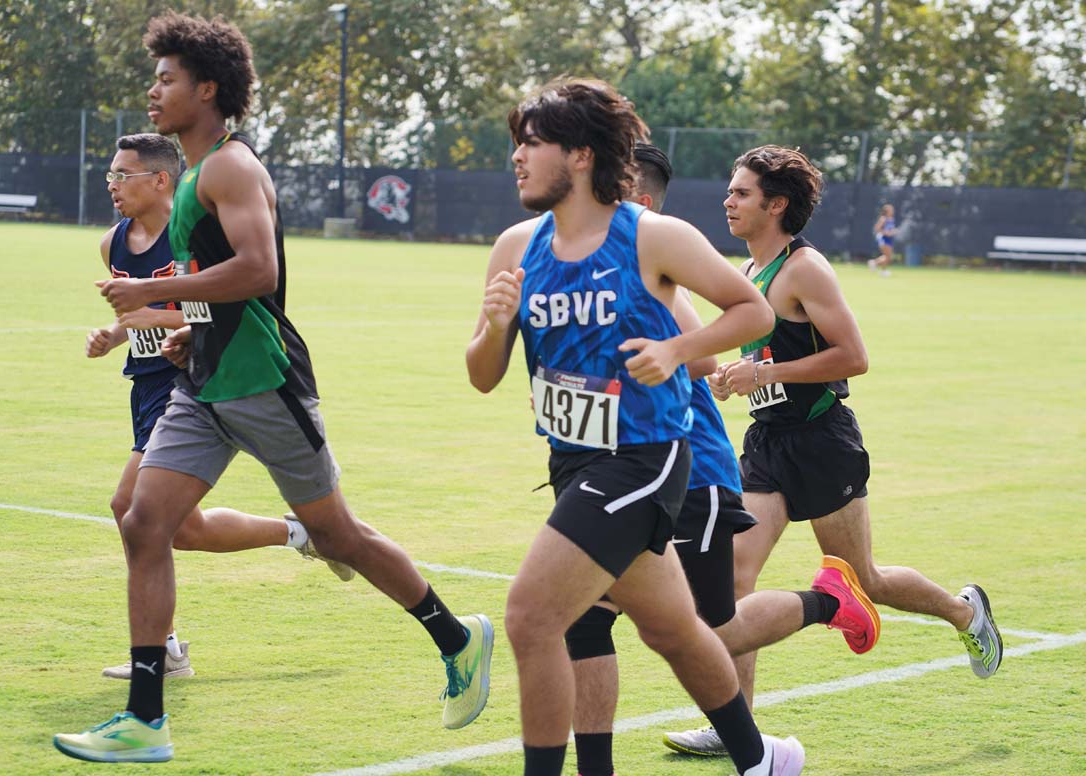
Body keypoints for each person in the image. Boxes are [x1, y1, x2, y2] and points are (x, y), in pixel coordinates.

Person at [54, 13, 492, 763]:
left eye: (166, 78)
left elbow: (260, 273)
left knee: (336, 536)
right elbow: (223, 289)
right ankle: (145, 719)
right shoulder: (193, 174)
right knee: (141, 519)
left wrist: (150, 295)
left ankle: (457, 639)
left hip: (264, 380)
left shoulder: (229, 166)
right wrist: (180, 321)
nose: (153, 91)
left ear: (208, 88)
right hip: (205, 379)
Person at [466, 78, 803, 776]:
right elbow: (482, 373)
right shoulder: (515, 247)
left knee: (532, 617)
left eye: (532, 144)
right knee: (674, 630)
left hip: (642, 461)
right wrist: (497, 325)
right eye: (517, 146)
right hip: (572, 464)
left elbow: (754, 313)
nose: (518, 159)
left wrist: (676, 351)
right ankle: (761, 760)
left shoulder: (652, 236)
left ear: (581, 155)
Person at [665, 146, 1002, 757]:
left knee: (863, 579)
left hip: (823, 442)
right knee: (735, 581)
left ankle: (964, 613)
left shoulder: (805, 269)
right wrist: (738, 373)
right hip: (767, 446)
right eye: (731, 190)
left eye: (741, 193)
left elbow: (854, 357)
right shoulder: (748, 274)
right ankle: (733, 727)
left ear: (777, 205)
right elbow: (770, 354)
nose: (728, 201)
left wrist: (769, 375)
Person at [557, 143, 878, 776]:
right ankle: (744, 742)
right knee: (604, 617)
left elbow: (835, 354)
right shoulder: (615, 264)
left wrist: (707, 361)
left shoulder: (699, 265)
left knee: (706, 628)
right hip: (730, 451)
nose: (727, 201)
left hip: (751, 455)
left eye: (740, 192)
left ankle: (835, 605)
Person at [86, 132, 354, 682]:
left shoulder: (193, 236)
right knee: (182, 530)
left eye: (122, 175)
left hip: (187, 380)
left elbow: (210, 307)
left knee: (128, 506)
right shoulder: (113, 243)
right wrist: (115, 334)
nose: (111, 185)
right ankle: (296, 534)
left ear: (160, 180)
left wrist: (155, 312)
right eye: (109, 176)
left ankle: (162, 654)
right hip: (145, 387)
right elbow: (139, 310)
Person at [868, 203, 895, 275]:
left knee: (888, 257)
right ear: (887, 211)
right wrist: (886, 233)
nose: (892, 211)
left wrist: (893, 232)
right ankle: (876, 264)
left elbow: (890, 229)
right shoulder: (883, 218)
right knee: (887, 256)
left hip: (889, 239)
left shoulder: (891, 219)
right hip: (884, 239)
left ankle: (877, 265)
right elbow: (877, 228)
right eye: (890, 209)